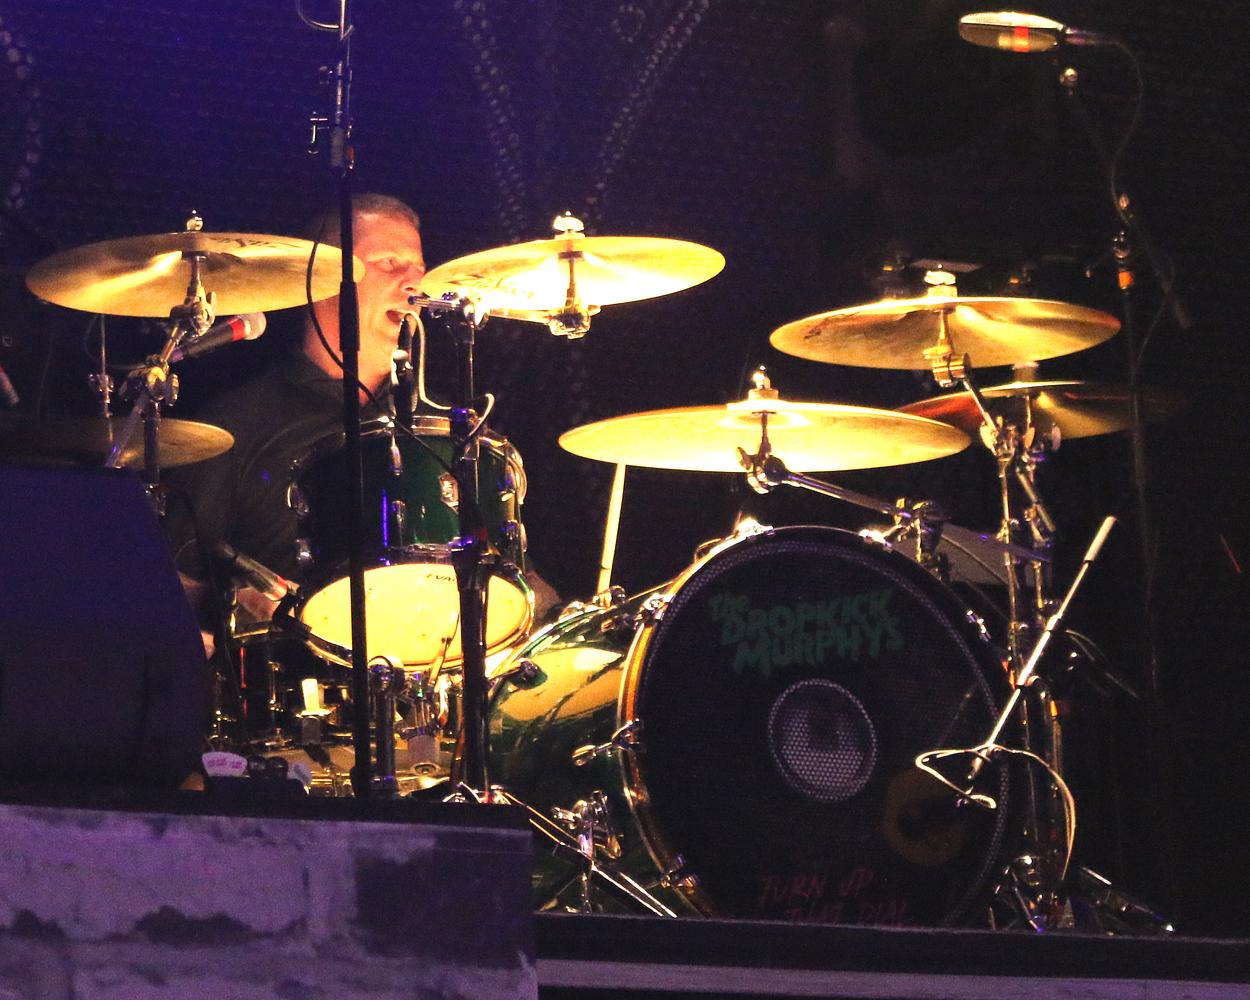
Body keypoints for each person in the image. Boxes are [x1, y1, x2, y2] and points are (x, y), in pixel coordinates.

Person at [166, 192, 559, 647]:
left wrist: (562, 624)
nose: (415, 283)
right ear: (324, 278)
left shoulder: (448, 429)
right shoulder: (231, 427)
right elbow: (172, 584)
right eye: (389, 263)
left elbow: (515, 580)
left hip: (440, 673)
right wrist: (239, 601)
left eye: (418, 267)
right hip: (299, 679)